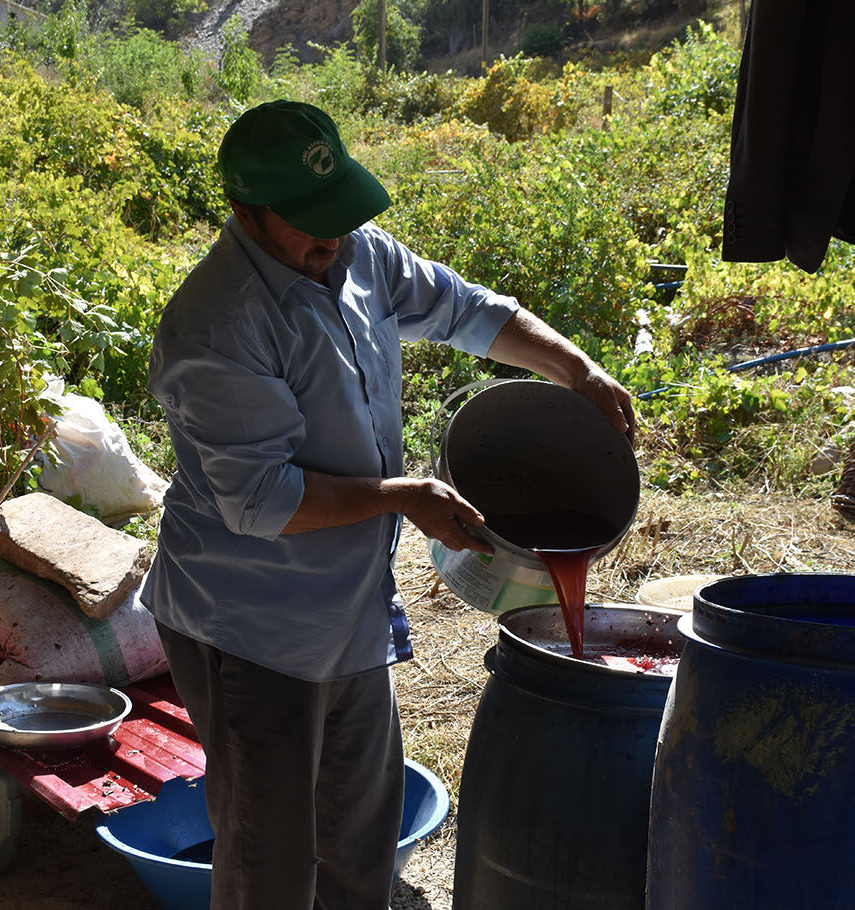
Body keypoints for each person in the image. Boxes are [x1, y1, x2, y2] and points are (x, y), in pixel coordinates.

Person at [140, 99, 637, 909]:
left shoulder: (359, 252)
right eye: (306, 220)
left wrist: (573, 367)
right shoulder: (219, 322)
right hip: (252, 624)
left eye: (337, 211)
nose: (330, 236)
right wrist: (404, 498)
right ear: (244, 209)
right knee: (270, 856)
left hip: (348, 607)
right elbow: (260, 499)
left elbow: (465, 309)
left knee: (359, 837)